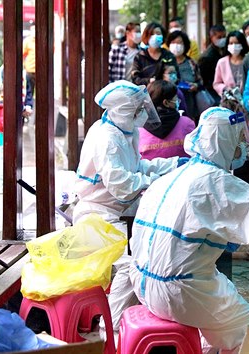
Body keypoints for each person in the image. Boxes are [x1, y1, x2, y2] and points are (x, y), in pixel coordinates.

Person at [130, 107, 249, 354]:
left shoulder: (174, 175)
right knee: (248, 326)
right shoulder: (220, 183)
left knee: (224, 290)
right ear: (226, 142)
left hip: (143, 282)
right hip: (179, 292)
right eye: (239, 140)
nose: (243, 147)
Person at [74, 80, 185, 341]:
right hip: (96, 214)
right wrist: (158, 180)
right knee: (128, 267)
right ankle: (110, 334)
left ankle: (126, 324)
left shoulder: (126, 131)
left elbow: (138, 168)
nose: (143, 113)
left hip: (117, 211)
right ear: (123, 111)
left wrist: (172, 165)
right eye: (137, 110)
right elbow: (123, 185)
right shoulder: (107, 138)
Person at [138, 80, 195, 160]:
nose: (178, 102)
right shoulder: (187, 124)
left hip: (149, 172)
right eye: (176, 99)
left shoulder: (138, 128)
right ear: (166, 103)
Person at [167, 30, 204, 120]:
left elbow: (200, 81)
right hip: (170, 103)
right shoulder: (165, 62)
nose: (176, 45)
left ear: (185, 45)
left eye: (179, 43)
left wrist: (196, 85)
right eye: (173, 42)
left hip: (189, 102)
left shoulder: (191, 63)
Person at [213, 31, 249, 97]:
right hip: (229, 101)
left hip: (247, 100)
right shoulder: (222, 62)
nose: (234, 46)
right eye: (231, 43)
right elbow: (217, 83)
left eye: (237, 43)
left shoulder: (248, 61)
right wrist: (226, 88)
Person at [198, 24, 227, 105]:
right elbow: (204, 79)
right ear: (212, 38)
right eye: (219, 37)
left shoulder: (226, 51)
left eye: (224, 36)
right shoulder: (207, 57)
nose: (222, 39)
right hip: (212, 92)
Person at [22, 25, 36, 113]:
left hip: (40, 70)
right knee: (29, 90)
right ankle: (28, 107)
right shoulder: (27, 41)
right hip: (30, 70)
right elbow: (23, 53)